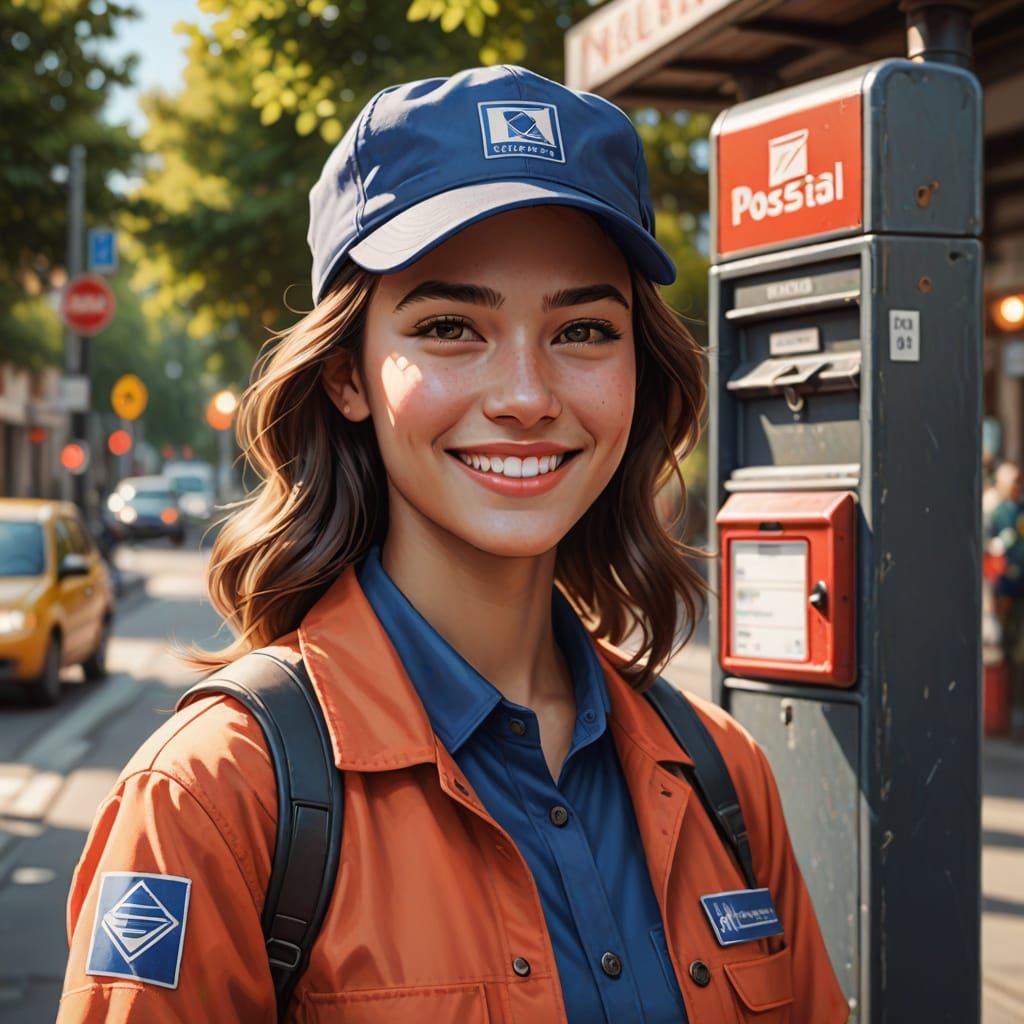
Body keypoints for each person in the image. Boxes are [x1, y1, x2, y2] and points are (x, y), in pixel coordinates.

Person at [58, 66, 847, 1023]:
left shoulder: (724, 773)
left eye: (585, 329)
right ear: (347, 375)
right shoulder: (215, 798)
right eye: (449, 327)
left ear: (641, 370)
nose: (524, 394)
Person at [987, 461, 1024, 738]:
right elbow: (990, 555)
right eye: (1014, 482)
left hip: (1019, 591)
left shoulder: (1019, 511)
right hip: (1005, 594)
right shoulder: (998, 514)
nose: (1018, 487)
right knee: (1009, 656)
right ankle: (1006, 718)